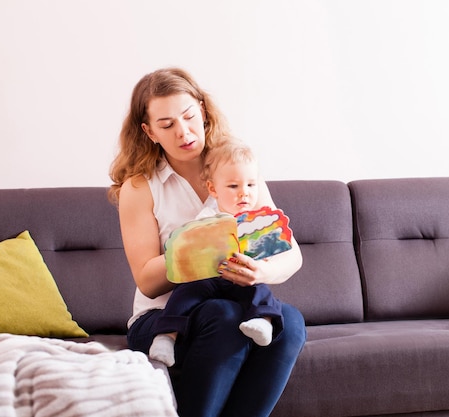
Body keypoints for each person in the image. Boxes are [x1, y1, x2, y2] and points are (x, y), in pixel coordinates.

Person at [109, 67, 306, 417]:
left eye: (188, 116)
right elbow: (147, 281)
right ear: (149, 131)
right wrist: (198, 254)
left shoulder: (238, 170)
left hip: (235, 302)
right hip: (162, 319)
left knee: (288, 322)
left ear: (202, 109)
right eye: (167, 125)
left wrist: (258, 271)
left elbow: (290, 254)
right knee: (222, 313)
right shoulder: (139, 187)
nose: (183, 132)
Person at [148, 140, 286, 367]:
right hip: (208, 280)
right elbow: (191, 248)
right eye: (234, 187)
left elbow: (271, 253)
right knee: (184, 293)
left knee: (261, 289)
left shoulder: (257, 220)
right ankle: (166, 337)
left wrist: (263, 265)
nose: (244, 193)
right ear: (213, 189)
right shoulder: (207, 216)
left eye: (251, 185)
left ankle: (263, 322)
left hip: (240, 279)